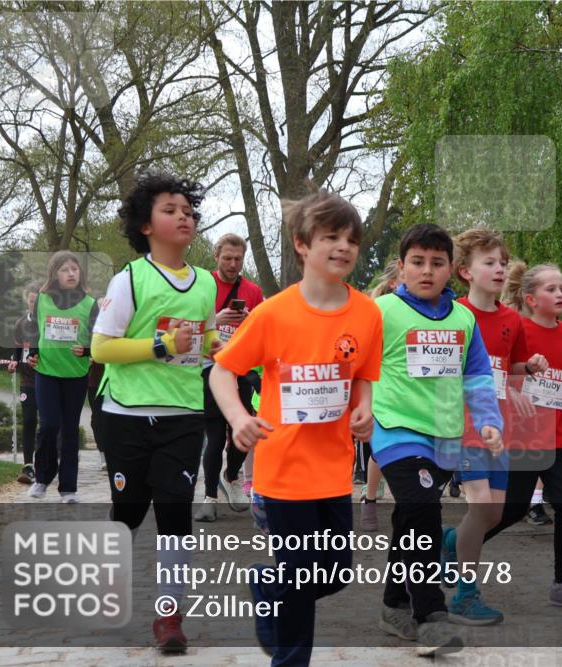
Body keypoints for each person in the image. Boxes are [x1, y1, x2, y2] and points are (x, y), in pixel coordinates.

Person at [211, 189, 382, 667]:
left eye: (352, 238)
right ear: (302, 243)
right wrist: (240, 418)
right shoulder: (273, 313)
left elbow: (364, 373)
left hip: (333, 469)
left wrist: (363, 409)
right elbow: (222, 371)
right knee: (302, 580)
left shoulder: (367, 312)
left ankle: (266, 586)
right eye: (331, 236)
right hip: (283, 471)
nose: (344, 246)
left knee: (333, 575)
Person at [91, 170, 219, 652]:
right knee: (129, 510)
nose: (183, 216)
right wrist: (161, 344)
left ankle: (169, 617)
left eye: (188, 210)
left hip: (183, 415)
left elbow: (202, 340)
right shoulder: (129, 279)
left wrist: (218, 346)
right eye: (171, 210)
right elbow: (102, 349)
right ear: (146, 225)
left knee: (174, 513)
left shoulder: (205, 283)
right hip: (124, 414)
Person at [371, 223, 503, 656]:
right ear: (402, 266)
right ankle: (432, 617)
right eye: (417, 262)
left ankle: (393, 605)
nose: (427, 271)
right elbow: (354, 364)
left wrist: (488, 421)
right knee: (423, 511)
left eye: (436, 263)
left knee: (411, 519)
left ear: (453, 269)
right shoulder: (384, 312)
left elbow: (479, 375)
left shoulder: (464, 319)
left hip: (444, 436)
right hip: (395, 428)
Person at [483, 261, 562, 610]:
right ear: (530, 298)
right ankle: (457, 545)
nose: (560, 294)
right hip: (520, 436)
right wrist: (516, 387)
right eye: (550, 289)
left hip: (554, 437)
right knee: (511, 511)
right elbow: (498, 372)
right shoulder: (515, 329)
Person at [440, 228, 546, 625]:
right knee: (481, 505)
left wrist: (529, 367)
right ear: (465, 271)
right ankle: (465, 595)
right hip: (462, 425)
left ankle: (449, 543)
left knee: (493, 514)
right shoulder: (453, 316)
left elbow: (510, 367)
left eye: (503, 262)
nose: (500, 268)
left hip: (498, 427)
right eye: (490, 262)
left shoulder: (512, 321)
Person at [195, 233, 265, 522]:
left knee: (244, 432)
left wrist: (249, 322)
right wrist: (217, 320)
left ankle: (232, 475)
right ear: (216, 256)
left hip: (242, 370)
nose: (233, 264)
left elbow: (262, 332)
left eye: (238, 259)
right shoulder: (201, 285)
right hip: (210, 367)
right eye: (228, 258)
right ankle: (209, 497)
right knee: (214, 436)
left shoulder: (253, 290)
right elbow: (187, 326)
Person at [25, 251, 98, 503]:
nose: (71, 273)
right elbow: (34, 328)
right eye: (65, 269)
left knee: (69, 430)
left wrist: (89, 350)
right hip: (46, 372)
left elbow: (99, 337)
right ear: (55, 273)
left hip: (75, 375)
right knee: (48, 425)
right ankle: (42, 479)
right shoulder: (42, 299)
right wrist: (32, 352)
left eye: (75, 269)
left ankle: (68, 489)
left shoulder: (90, 303)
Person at [358, 259, 399, 532]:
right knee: (379, 452)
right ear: (394, 283)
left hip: (412, 393)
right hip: (381, 386)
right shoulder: (379, 310)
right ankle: (369, 498)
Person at [8, 282, 40, 484]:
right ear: (26, 302)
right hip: (28, 381)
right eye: (31, 302)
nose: (34, 306)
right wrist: (14, 360)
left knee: (50, 425)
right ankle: (28, 466)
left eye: (37, 302)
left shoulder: (48, 322)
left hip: (49, 380)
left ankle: (49, 463)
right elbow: (18, 349)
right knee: (28, 421)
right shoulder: (20, 324)